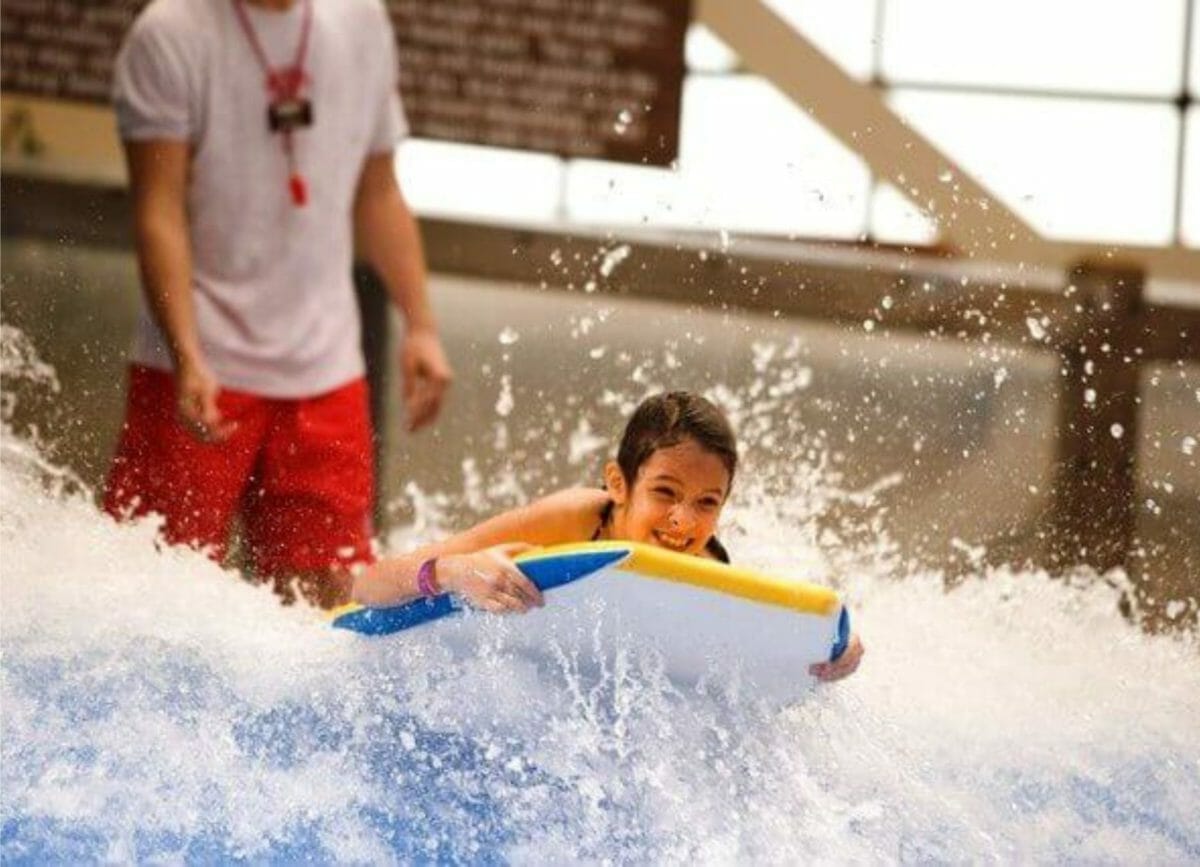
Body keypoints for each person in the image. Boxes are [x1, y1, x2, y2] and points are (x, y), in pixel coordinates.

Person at [102, 0, 451, 609]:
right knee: (153, 596)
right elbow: (159, 212)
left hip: (325, 368)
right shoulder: (170, 31)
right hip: (197, 364)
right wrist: (187, 352)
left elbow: (379, 190)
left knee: (323, 604)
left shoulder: (360, 20)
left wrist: (419, 323)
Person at [353, 391, 864, 682]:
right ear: (619, 483)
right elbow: (367, 586)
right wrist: (455, 570)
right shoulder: (572, 519)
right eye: (666, 492)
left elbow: (753, 649)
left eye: (707, 503)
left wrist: (833, 647)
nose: (684, 521)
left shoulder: (708, 570)